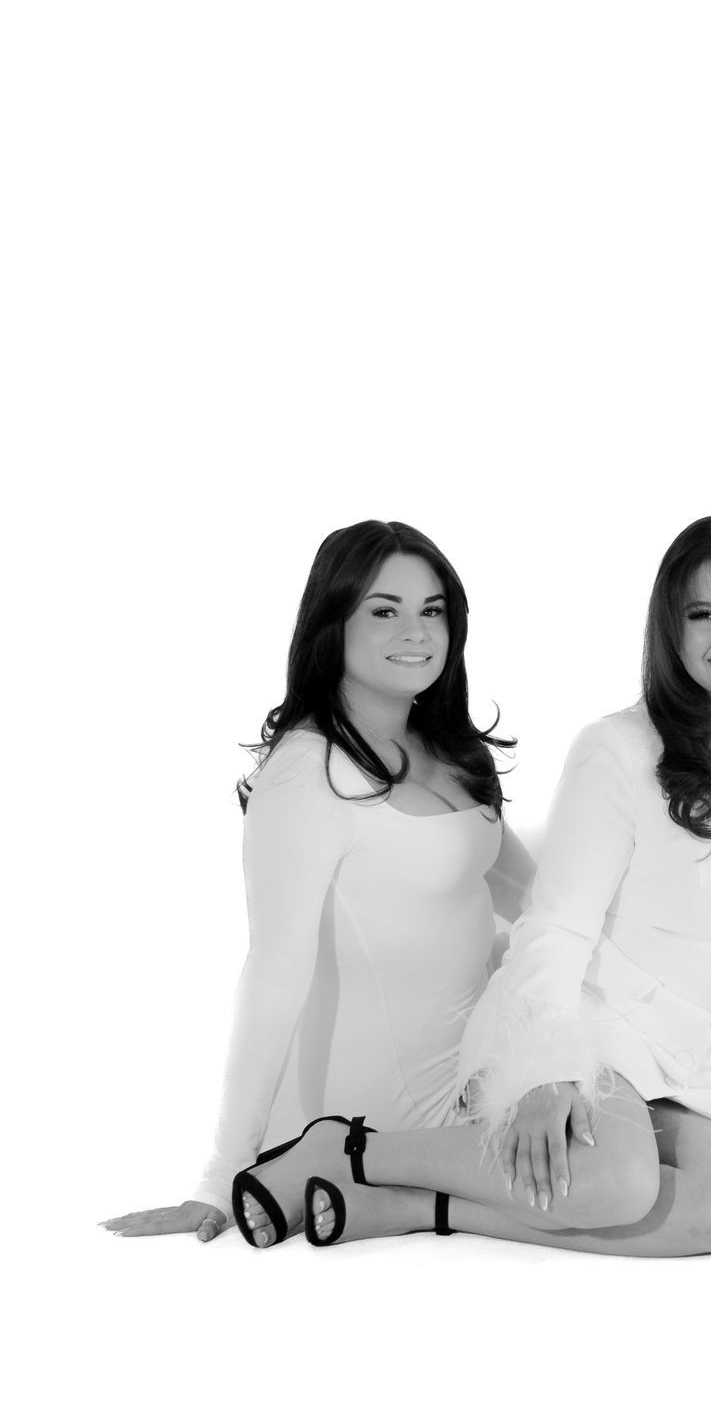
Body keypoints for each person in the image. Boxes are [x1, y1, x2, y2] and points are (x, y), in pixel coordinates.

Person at [224, 513, 711, 1257]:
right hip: (590, 1024)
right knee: (620, 1182)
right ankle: (349, 1150)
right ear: (671, 630)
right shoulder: (621, 749)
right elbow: (554, 925)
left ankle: (394, 1207)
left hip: (692, 1069)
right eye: (702, 614)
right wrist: (546, 1068)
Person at [102, 520, 532, 1245]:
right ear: (333, 623)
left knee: (643, 1160)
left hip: (473, 1087)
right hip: (364, 1123)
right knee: (608, 1188)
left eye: (433, 611)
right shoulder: (308, 773)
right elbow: (273, 972)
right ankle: (355, 1185)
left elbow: (541, 899)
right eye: (384, 610)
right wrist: (218, 1174)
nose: (416, 631)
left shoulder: (449, 751)